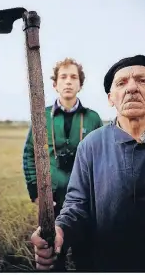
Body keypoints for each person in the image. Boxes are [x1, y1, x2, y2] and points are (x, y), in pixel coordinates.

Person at [31, 54, 145, 271]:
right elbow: (77, 205)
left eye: (143, 80)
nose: (131, 88)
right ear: (111, 98)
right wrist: (60, 230)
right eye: (121, 83)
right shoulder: (90, 146)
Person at [22, 57, 104, 265]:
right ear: (55, 84)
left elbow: (102, 158)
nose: (68, 81)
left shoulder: (93, 118)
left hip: (85, 201)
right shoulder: (42, 116)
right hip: (52, 200)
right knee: (53, 255)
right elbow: (29, 153)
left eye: (74, 77)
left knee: (86, 255)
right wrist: (36, 193)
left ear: (80, 84)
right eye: (63, 77)